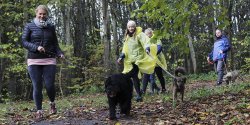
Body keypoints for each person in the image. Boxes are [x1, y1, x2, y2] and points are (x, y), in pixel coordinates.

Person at [22, 5, 64, 119]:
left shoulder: (51, 27)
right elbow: (24, 42)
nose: (42, 16)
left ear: (47, 15)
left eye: (44, 14)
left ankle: (52, 103)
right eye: (40, 14)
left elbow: (55, 44)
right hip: (33, 60)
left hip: (49, 59)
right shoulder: (29, 26)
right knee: (37, 85)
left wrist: (60, 53)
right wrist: (36, 47)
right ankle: (39, 110)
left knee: (49, 85)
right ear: (36, 14)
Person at [117, 20, 155, 102]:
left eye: (132, 26)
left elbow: (146, 42)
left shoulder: (140, 34)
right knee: (132, 77)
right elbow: (125, 49)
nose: (131, 28)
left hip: (139, 59)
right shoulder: (127, 37)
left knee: (132, 75)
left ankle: (137, 95)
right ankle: (138, 95)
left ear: (135, 27)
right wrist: (121, 57)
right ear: (127, 27)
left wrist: (147, 49)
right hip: (130, 60)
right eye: (129, 27)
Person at [142, 28, 167, 94]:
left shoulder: (156, 39)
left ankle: (163, 88)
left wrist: (155, 54)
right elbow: (147, 47)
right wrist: (147, 50)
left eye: (148, 34)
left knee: (160, 76)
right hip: (150, 62)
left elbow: (159, 47)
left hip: (157, 61)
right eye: (146, 34)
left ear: (151, 33)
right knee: (150, 77)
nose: (147, 35)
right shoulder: (146, 40)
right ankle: (150, 91)